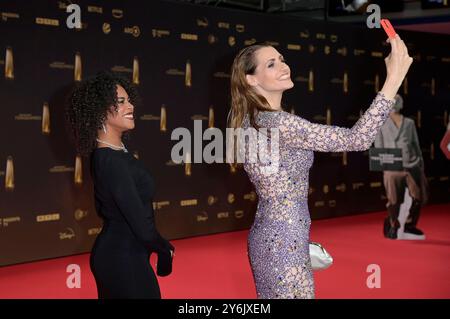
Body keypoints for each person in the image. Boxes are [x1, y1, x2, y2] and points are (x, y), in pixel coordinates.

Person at [227, 35, 412, 299]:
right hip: (284, 242)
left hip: (277, 236)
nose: (283, 66)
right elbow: (357, 139)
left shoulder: (253, 120)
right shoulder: (277, 124)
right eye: (271, 64)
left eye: (281, 59)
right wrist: (394, 78)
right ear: (251, 79)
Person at [66, 72, 174, 299]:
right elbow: (142, 226)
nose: (130, 106)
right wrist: (165, 250)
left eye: (129, 100)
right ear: (99, 111)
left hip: (128, 254)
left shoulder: (113, 155)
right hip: (121, 259)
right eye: (121, 102)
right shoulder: (109, 160)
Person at [374, 94, 427, 239]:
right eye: (392, 100)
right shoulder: (381, 123)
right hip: (392, 168)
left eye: (397, 101)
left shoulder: (409, 123)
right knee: (394, 201)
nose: (395, 103)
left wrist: (420, 163)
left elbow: (415, 144)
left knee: (418, 197)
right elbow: (378, 147)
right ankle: (393, 225)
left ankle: (410, 225)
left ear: (401, 104)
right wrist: (383, 166)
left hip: (411, 166)